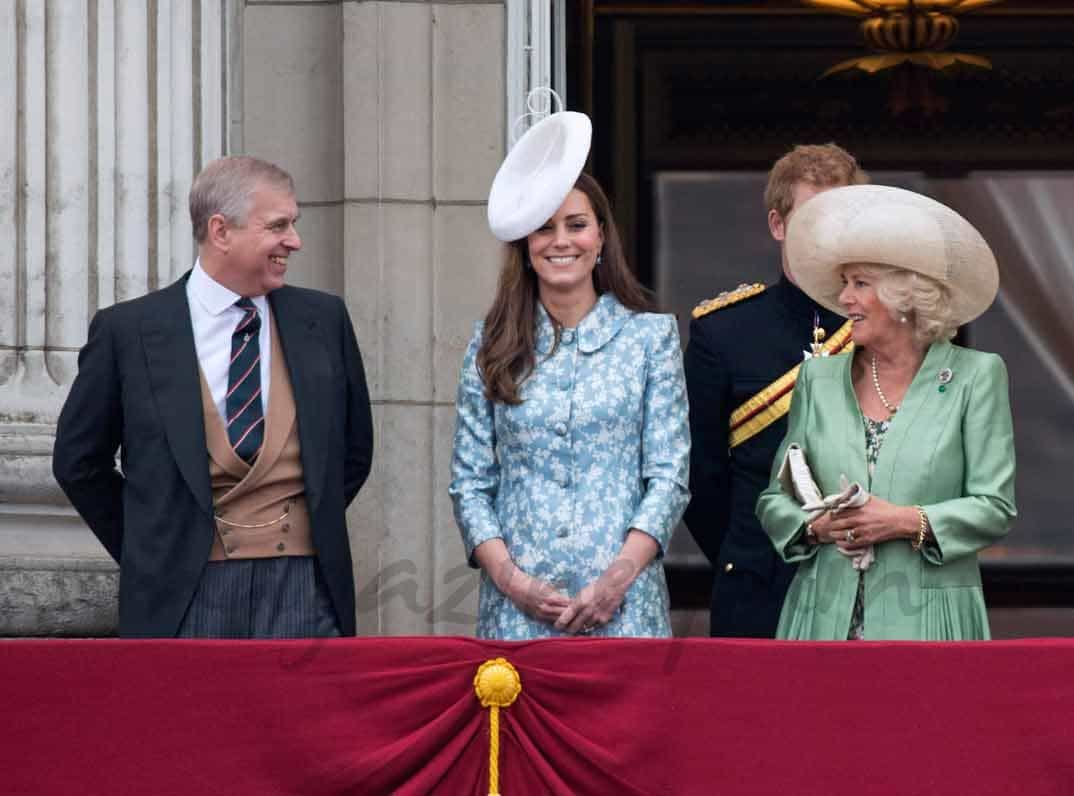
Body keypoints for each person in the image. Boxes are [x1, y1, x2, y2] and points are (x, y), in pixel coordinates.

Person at [52, 156, 374, 638]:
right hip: (183, 594)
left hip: (306, 591)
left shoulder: (323, 320)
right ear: (221, 231)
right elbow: (78, 462)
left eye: (294, 224)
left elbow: (354, 451)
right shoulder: (129, 331)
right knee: (189, 717)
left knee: (300, 717)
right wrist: (154, 546)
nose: (295, 240)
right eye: (278, 225)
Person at [450, 108, 690, 639]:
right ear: (525, 246)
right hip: (517, 615)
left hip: (626, 610)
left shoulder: (650, 340)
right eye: (544, 229)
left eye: (576, 225)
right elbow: (469, 484)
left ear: (600, 237)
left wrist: (614, 582)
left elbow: (669, 477)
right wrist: (513, 583)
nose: (561, 241)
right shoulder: (490, 344)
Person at [757, 183, 1016, 640]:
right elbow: (775, 499)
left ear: (905, 296)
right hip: (821, 622)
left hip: (931, 623)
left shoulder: (976, 377)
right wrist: (814, 526)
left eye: (860, 284)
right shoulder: (818, 380)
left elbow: (994, 507)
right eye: (844, 284)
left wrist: (901, 521)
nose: (845, 300)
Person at [682, 143, 867, 637]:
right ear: (777, 225)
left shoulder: (890, 325)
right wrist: (747, 553)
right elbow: (702, 478)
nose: (827, 235)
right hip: (759, 588)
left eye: (841, 218)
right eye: (811, 218)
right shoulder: (723, 331)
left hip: (870, 583)